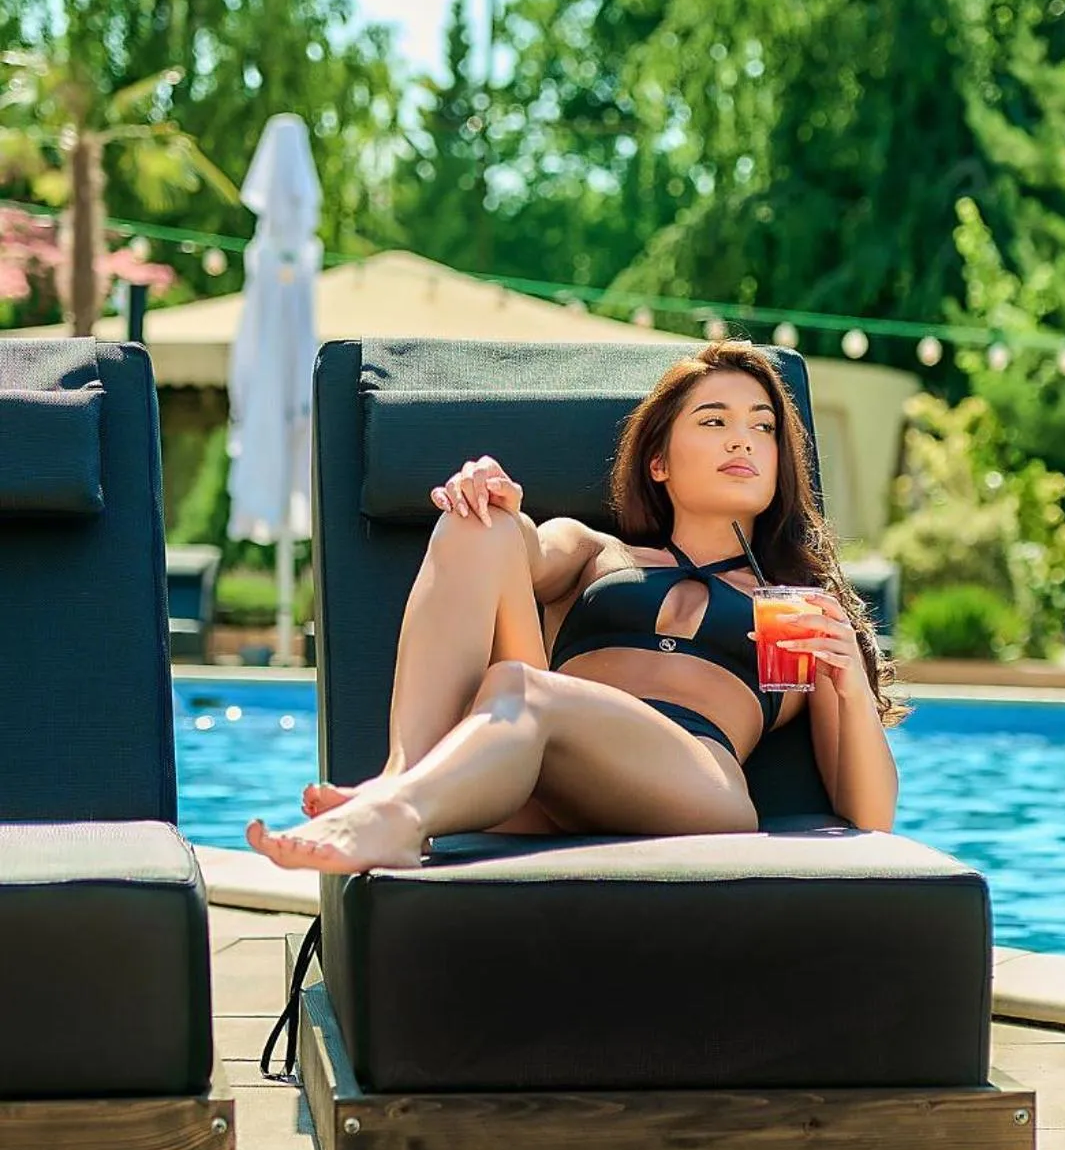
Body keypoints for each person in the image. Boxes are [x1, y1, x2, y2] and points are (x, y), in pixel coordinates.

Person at [247, 339, 902, 874]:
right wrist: (489, 494)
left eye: (763, 426)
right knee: (476, 522)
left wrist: (847, 686)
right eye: (714, 421)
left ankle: (396, 813)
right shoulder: (596, 551)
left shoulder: (794, 607)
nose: (744, 441)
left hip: (692, 789)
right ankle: (402, 780)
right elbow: (528, 548)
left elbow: (869, 817)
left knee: (521, 687)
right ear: (658, 463)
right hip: (532, 773)